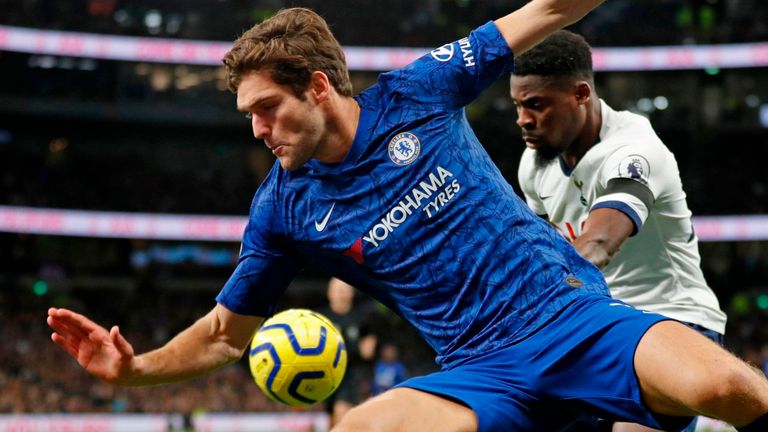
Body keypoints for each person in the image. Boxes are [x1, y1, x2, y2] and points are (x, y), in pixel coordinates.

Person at [46, 4, 768, 432]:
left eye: (267, 108)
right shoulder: (283, 211)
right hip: (483, 375)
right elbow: (223, 336)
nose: (258, 130)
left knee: (726, 390)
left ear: (319, 87)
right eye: (248, 117)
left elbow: (545, 13)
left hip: (574, 319)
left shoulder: (419, 90)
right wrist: (132, 371)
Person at [510, 30, 728, 432]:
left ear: (580, 94)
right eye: (518, 105)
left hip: (673, 320)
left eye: (536, 105)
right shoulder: (534, 164)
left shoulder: (635, 151)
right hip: (597, 324)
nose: (523, 119)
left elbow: (598, 241)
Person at [318, 278, 378, 426]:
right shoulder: (321, 319)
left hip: (351, 375)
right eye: (338, 290)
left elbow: (368, 349)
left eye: (345, 290)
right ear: (329, 293)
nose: (341, 294)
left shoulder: (361, 318)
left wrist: (368, 347)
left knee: (342, 412)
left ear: (351, 293)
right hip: (326, 376)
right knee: (331, 420)